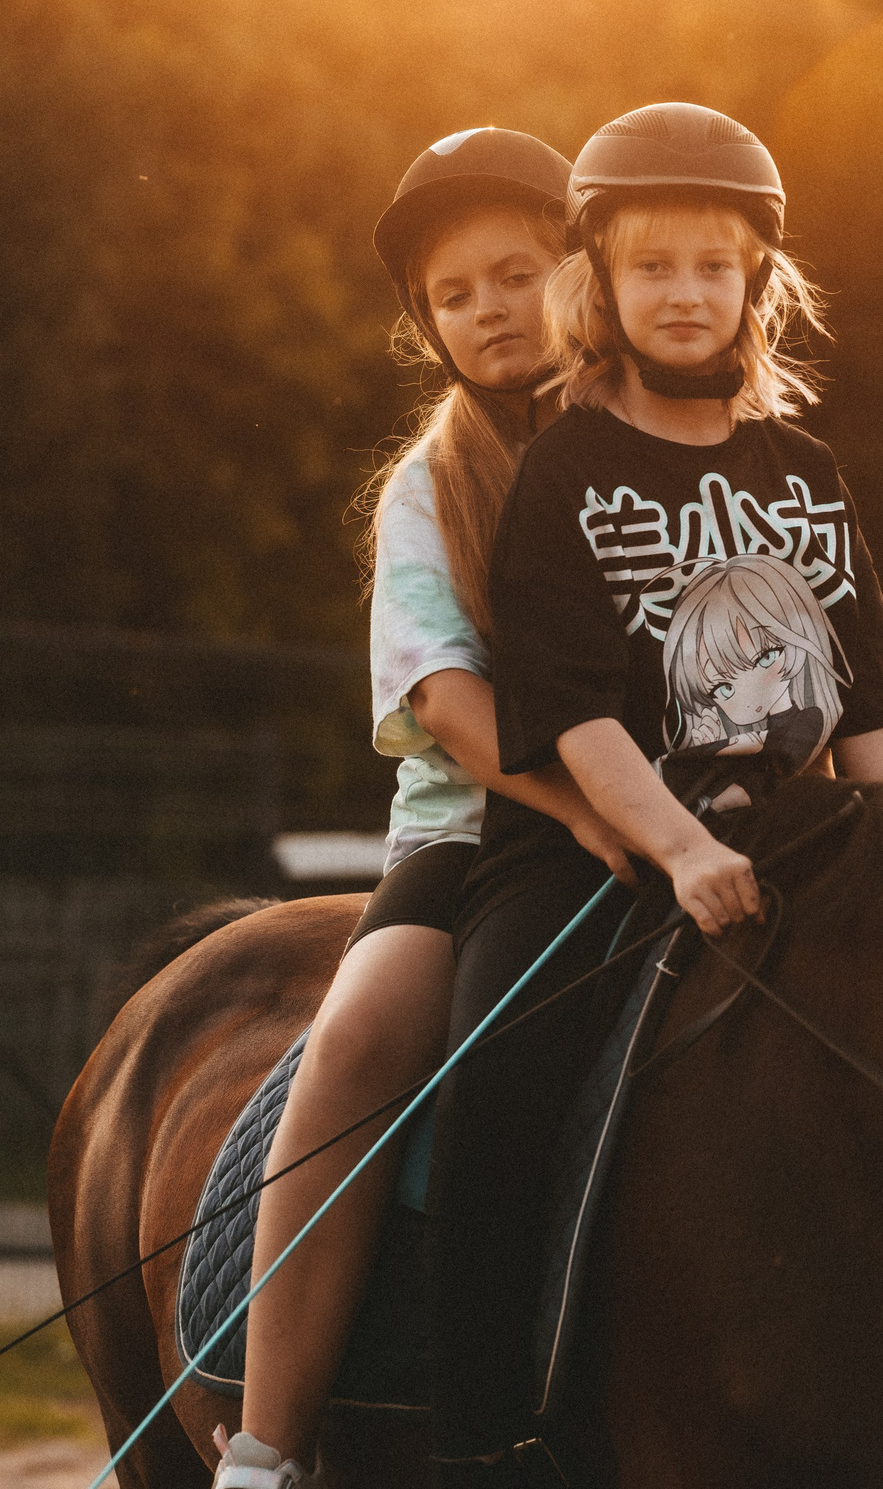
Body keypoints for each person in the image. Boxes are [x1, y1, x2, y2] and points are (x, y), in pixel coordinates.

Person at [425, 103, 883, 1482]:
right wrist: (681, 845)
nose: (686, 292)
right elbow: (573, 710)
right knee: (495, 1079)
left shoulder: (809, 476)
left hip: (805, 849)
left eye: (714, 265)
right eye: (655, 266)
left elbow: (877, 721)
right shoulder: (568, 470)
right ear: (602, 283)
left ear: (757, 279)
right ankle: (486, 1434)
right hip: (598, 858)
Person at [215, 131, 634, 1489]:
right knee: (357, 1044)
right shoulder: (427, 489)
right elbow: (447, 701)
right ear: (427, 324)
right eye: (456, 294)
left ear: (581, 270)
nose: (491, 308)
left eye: (517, 272)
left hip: (679, 809)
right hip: (475, 833)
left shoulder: (662, 438)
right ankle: (270, 1442)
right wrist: (589, 809)